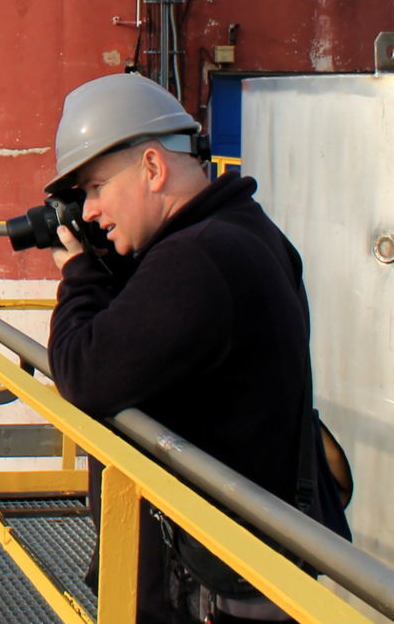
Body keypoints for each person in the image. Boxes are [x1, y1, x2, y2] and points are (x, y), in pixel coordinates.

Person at [43, 73, 350, 623]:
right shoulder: (251, 231)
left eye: (94, 187)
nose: (87, 212)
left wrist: (80, 276)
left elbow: (83, 373)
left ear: (154, 168)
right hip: (249, 562)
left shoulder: (196, 259)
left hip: (207, 590)